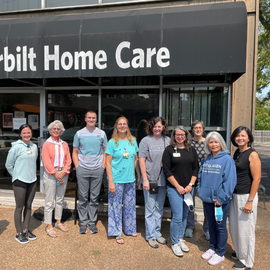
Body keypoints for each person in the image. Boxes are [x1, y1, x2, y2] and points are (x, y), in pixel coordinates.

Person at [197, 132, 236, 266]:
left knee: (220, 227)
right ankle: (212, 248)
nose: (213, 144)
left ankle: (220, 253)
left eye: (216, 142)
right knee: (211, 225)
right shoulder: (207, 158)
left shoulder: (227, 159)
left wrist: (222, 198)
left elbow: (230, 181)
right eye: (211, 142)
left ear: (221, 143)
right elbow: (200, 176)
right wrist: (200, 190)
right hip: (207, 199)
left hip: (220, 201)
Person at [162, 126, 199, 257]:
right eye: (177, 134)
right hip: (174, 188)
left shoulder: (191, 150)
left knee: (184, 216)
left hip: (189, 188)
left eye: (182, 134)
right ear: (174, 136)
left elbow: (196, 169)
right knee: (177, 216)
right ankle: (174, 243)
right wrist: (177, 186)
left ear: (186, 136)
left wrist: (190, 185)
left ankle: (180, 239)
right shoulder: (169, 150)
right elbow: (166, 170)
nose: (180, 136)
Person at [229, 126, 261, 269]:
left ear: (249, 138)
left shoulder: (252, 154)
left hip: (246, 196)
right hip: (235, 195)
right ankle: (240, 252)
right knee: (236, 227)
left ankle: (247, 261)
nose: (240, 138)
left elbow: (257, 179)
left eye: (243, 135)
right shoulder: (237, 152)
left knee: (246, 229)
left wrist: (250, 201)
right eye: (237, 136)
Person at [106, 116, 140, 244]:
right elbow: (107, 163)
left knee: (130, 206)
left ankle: (130, 229)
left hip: (130, 179)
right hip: (117, 180)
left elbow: (136, 159)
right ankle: (116, 231)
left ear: (127, 126)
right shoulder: (112, 142)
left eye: (124, 124)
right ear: (116, 126)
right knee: (115, 206)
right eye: (120, 124)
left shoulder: (133, 141)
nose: (122, 126)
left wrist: (139, 176)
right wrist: (111, 181)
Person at [72, 110, 107, 234]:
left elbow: (105, 151)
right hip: (83, 169)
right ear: (85, 119)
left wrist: (103, 166)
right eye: (89, 117)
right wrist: (77, 166)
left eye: (94, 118)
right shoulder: (79, 134)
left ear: (96, 119)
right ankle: (83, 223)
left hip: (97, 169)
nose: (92, 119)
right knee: (83, 197)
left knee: (94, 197)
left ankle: (92, 222)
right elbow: (75, 151)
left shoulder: (102, 133)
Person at [139, 116, 170, 248]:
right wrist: (144, 179)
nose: (157, 128)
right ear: (151, 127)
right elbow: (141, 160)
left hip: (163, 180)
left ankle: (157, 233)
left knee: (159, 208)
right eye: (155, 126)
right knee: (150, 208)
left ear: (163, 127)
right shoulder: (145, 141)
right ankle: (150, 235)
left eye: (160, 126)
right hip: (150, 180)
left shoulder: (167, 140)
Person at [5, 124, 38, 244]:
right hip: (20, 181)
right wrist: (16, 175)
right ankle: (18, 233)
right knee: (19, 207)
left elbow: (33, 162)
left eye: (28, 132)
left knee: (28, 206)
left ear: (31, 133)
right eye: (24, 133)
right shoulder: (16, 148)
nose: (27, 135)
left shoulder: (34, 146)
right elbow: (8, 165)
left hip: (32, 181)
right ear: (20, 134)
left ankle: (26, 229)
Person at [41, 120, 71, 238]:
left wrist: (63, 173)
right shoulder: (46, 144)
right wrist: (55, 174)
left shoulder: (64, 144)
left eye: (58, 129)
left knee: (60, 199)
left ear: (61, 131)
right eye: (54, 129)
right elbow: (46, 161)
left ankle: (58, 221)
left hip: (62, 173)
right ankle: (48, 224)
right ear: (50, 130)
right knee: (49, 201)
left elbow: (68, 160)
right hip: (51, 174)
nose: (56, 130)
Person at [185, 120, 209, 240]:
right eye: (195, 127)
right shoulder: (188, 143)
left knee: (207, 203)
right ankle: (190, 226)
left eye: (200, 127)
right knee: (190, 202)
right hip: (191, 177)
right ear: (192, 129)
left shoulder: (208, 142)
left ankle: (207, 228)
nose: (198, 129)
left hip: (205, 177)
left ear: (203, 129)